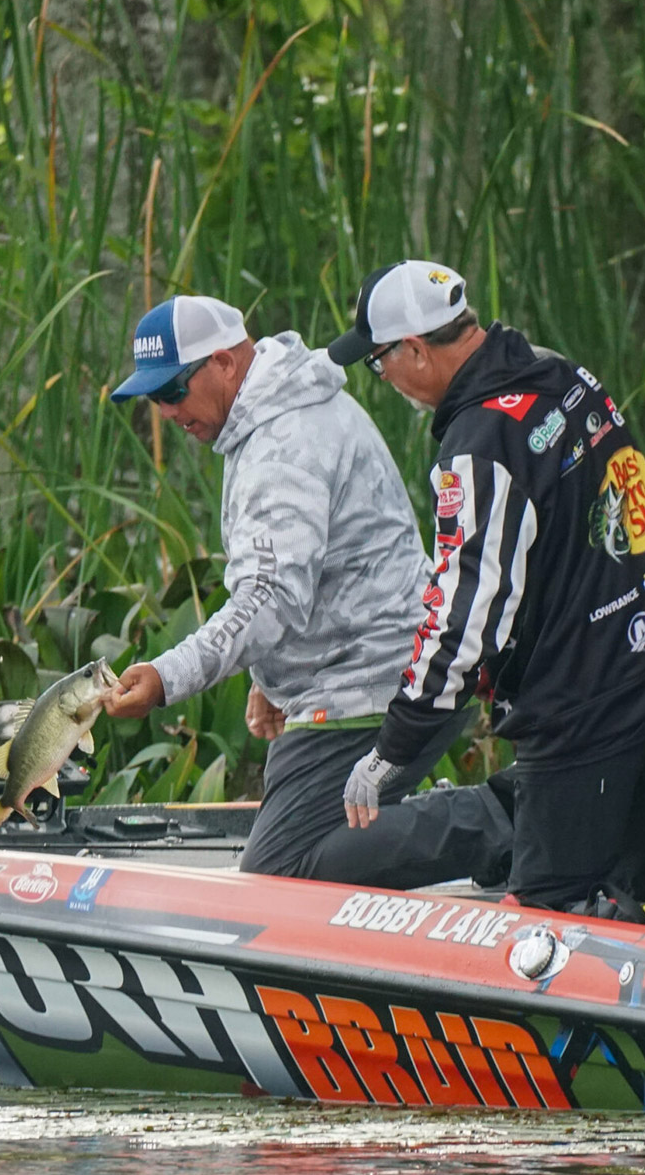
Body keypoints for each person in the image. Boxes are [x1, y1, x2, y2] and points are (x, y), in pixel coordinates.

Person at [327, 261, 645, 917]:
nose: (386, 382)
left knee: (539, 916)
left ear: (413, 349)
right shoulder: (555, 372)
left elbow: (467, 610)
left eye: (378, 364)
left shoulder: (479, 442)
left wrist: (396, 746)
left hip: (595, 705)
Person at [103, 293, 510, 887]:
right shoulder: (275, 410)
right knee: (308, 853)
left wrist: (168, 677)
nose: (166, 413)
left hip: (370, 682)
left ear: (223, 363)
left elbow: (269, 597)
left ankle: (505, 819)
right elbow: (304, 569)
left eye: (171, 392)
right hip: (375, 666)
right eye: (152, 399)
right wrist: (270, 677)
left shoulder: (281, 442)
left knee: (280, 876)